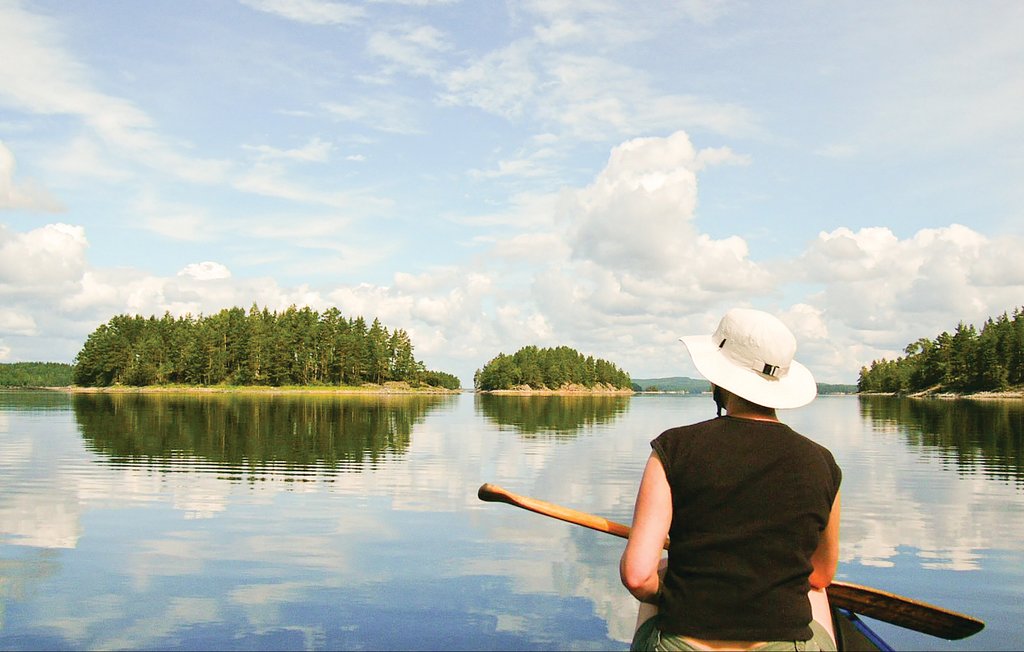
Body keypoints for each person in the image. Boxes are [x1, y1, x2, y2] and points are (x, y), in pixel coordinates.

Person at [620, 308, 842, 651]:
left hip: (683, 643)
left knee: (657, 566)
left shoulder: (673, 448)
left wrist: (667, 587)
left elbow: (637, 577)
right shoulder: (822, 462)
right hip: (785, 645)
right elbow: (820, 575)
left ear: (717, 380)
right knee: (817, 591)